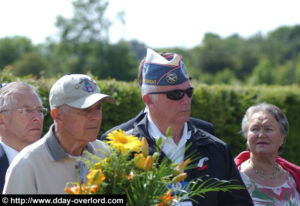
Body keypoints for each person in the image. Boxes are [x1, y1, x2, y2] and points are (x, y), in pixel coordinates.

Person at [101, 48, 253, 205]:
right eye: (175, 94)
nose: (186, 100)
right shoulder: (121, 148)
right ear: (149, 100)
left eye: (189, 91)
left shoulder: (215, 148)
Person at [3, 74, 114, 194]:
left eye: (98, 108)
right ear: (57, 115)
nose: (96, 118)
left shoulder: (105, 154)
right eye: (85, 110)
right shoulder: (28, 164)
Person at [235, 102, 300, 205]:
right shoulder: (233, 178)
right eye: (255, 129)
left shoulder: (295, 177)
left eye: (268, 129)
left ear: (282, 138)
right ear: (247, 136)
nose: (261, 135)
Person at [0, 82, 45, 194]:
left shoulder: (54, 161)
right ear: (1, 119)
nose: (37, 118)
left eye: (40, 110)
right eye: (26, 110)